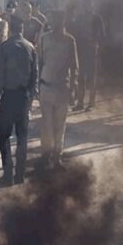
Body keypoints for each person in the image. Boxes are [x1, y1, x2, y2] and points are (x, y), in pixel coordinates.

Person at [0, 16, 38, 186]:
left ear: (11, 29)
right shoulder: (30, 47)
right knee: (22, 138)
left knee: (4, 136)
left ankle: (7, 175)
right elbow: (35, 75)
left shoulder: (5, 47)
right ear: (22, 28)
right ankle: (20, 175)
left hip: (8, 97)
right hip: (23, 97)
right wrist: (31, 99)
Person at [38, 11, 79, 167]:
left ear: (64, 22)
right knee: (46, 126)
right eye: (54, 20)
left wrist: (74, 87)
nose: (57, 24)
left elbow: (75, 67)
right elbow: (40, 63)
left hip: (62, 88)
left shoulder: (70, 41)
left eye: (60, 21)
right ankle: (45, 156)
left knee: (60, 126)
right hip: (46, 88)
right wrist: (38, 86)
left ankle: (57, 156)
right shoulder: (44, 40)